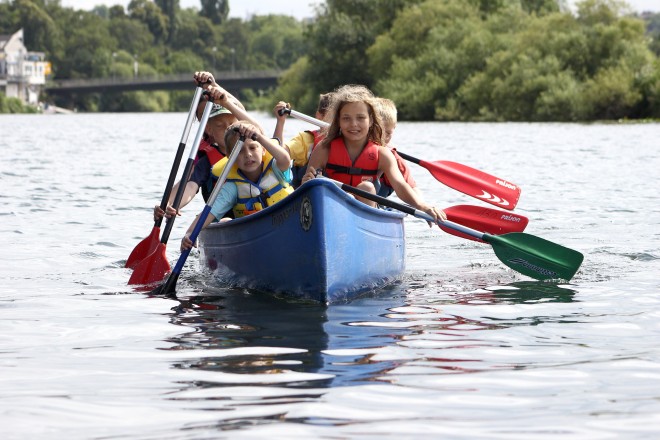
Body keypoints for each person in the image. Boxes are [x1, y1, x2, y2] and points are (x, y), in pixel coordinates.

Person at [302, 84, 446, 225]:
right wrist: (307, 183)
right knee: (321, 187)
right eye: (346, 118)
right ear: (338, 121)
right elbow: (306, 190)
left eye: (360, 118)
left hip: (366, 214)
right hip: (332, 207)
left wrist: (422, 206)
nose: (353, 124)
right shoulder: (324, 149)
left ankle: (363, 229)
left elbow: (401, 185)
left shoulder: (383, 154)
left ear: (370, 120)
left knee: (366, 188)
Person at [154, 71, 263, 221]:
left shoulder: (252, 144)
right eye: (219, 125)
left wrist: (213, 84)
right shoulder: (206, 157)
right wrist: (171, 204)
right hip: (225, 215)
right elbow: (190, 184)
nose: (227, 128)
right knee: (226, 220)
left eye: (231, 124)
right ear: (208, 129)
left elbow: (241, 110)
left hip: (256, 207)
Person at [181, 121, 293, 251]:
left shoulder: (276, 169)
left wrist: (260, 137)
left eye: (252, 147)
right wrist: (190, 233)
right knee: (225, 221)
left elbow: (285, 158)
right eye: (239, 151)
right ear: (230, 157)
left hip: (286, 226)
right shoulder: (233, 187)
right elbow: (211, 211)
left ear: (263, 149)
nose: (248, 154)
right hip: (254, 239)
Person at [272, 93, 333, 188]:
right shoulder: (306, 140)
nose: (337, 122)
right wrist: (280, 121)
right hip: (306, 192)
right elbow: (278, 153)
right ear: (319, 116)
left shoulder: (350, 141)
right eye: (334, 116)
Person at [374, 97, 420, 198]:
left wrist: (423, 206)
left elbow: (413, 189)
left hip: (377, 203)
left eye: (388, 133)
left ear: (394, 128)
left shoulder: (395, 159)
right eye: (377, 131)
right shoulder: (353, 147)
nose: (381, 137)